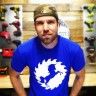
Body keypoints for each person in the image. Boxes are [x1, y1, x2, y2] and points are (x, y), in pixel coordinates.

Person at [9, 4, 85, 96]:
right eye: (40, 23)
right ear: (35, 26)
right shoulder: (23, 50)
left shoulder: (74, 50)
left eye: (50, 22)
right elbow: (14, 75)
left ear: (58, 24)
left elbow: (80, 76)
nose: (45, 28)